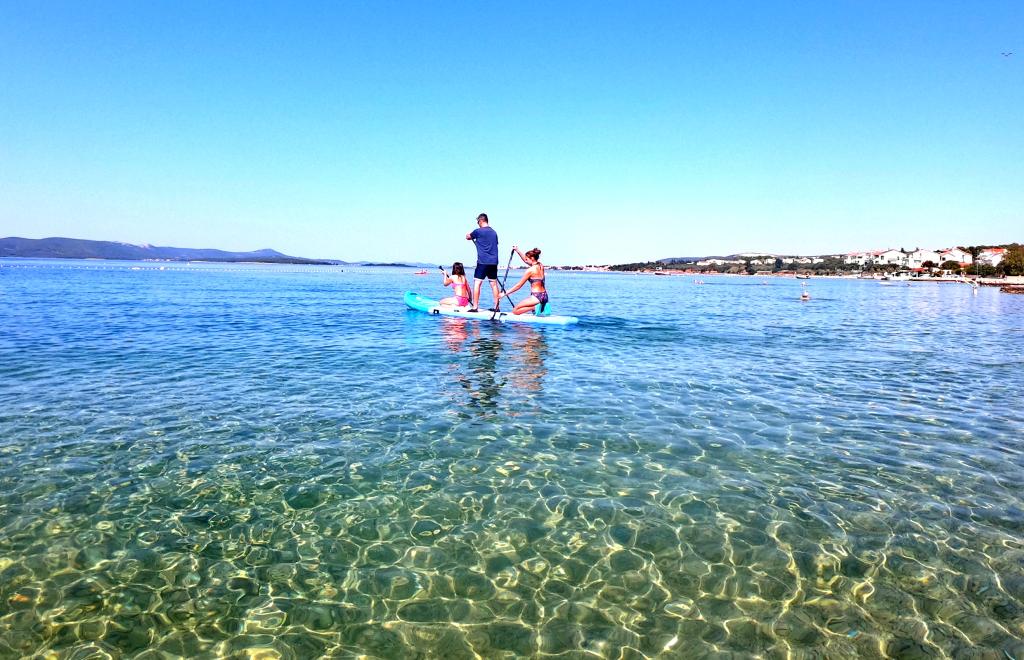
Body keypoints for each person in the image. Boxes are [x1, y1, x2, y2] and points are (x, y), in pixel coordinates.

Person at [498, 246, 549, 315]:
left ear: (532, 258)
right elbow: (526, 260)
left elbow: (518, 286)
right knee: (523, 309)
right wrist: (517, 251)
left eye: (527, 259)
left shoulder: (530, 271)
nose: (525, 261)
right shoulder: (540, 265)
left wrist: (504, 294)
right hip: (545, 295)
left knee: (515, 311)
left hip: (536, 297)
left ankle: (535, 307)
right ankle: (539, 306)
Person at [465, 213, 500, 312]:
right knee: (494, 284)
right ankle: (497, 307)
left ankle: (475, 307)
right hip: (493, 262)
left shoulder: (478, 231)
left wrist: (469, 235)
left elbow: (468, 237)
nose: (477, 223)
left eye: (478, 222)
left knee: (477, 283)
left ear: (481, 221)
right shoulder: (494, 232)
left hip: (482, 261)